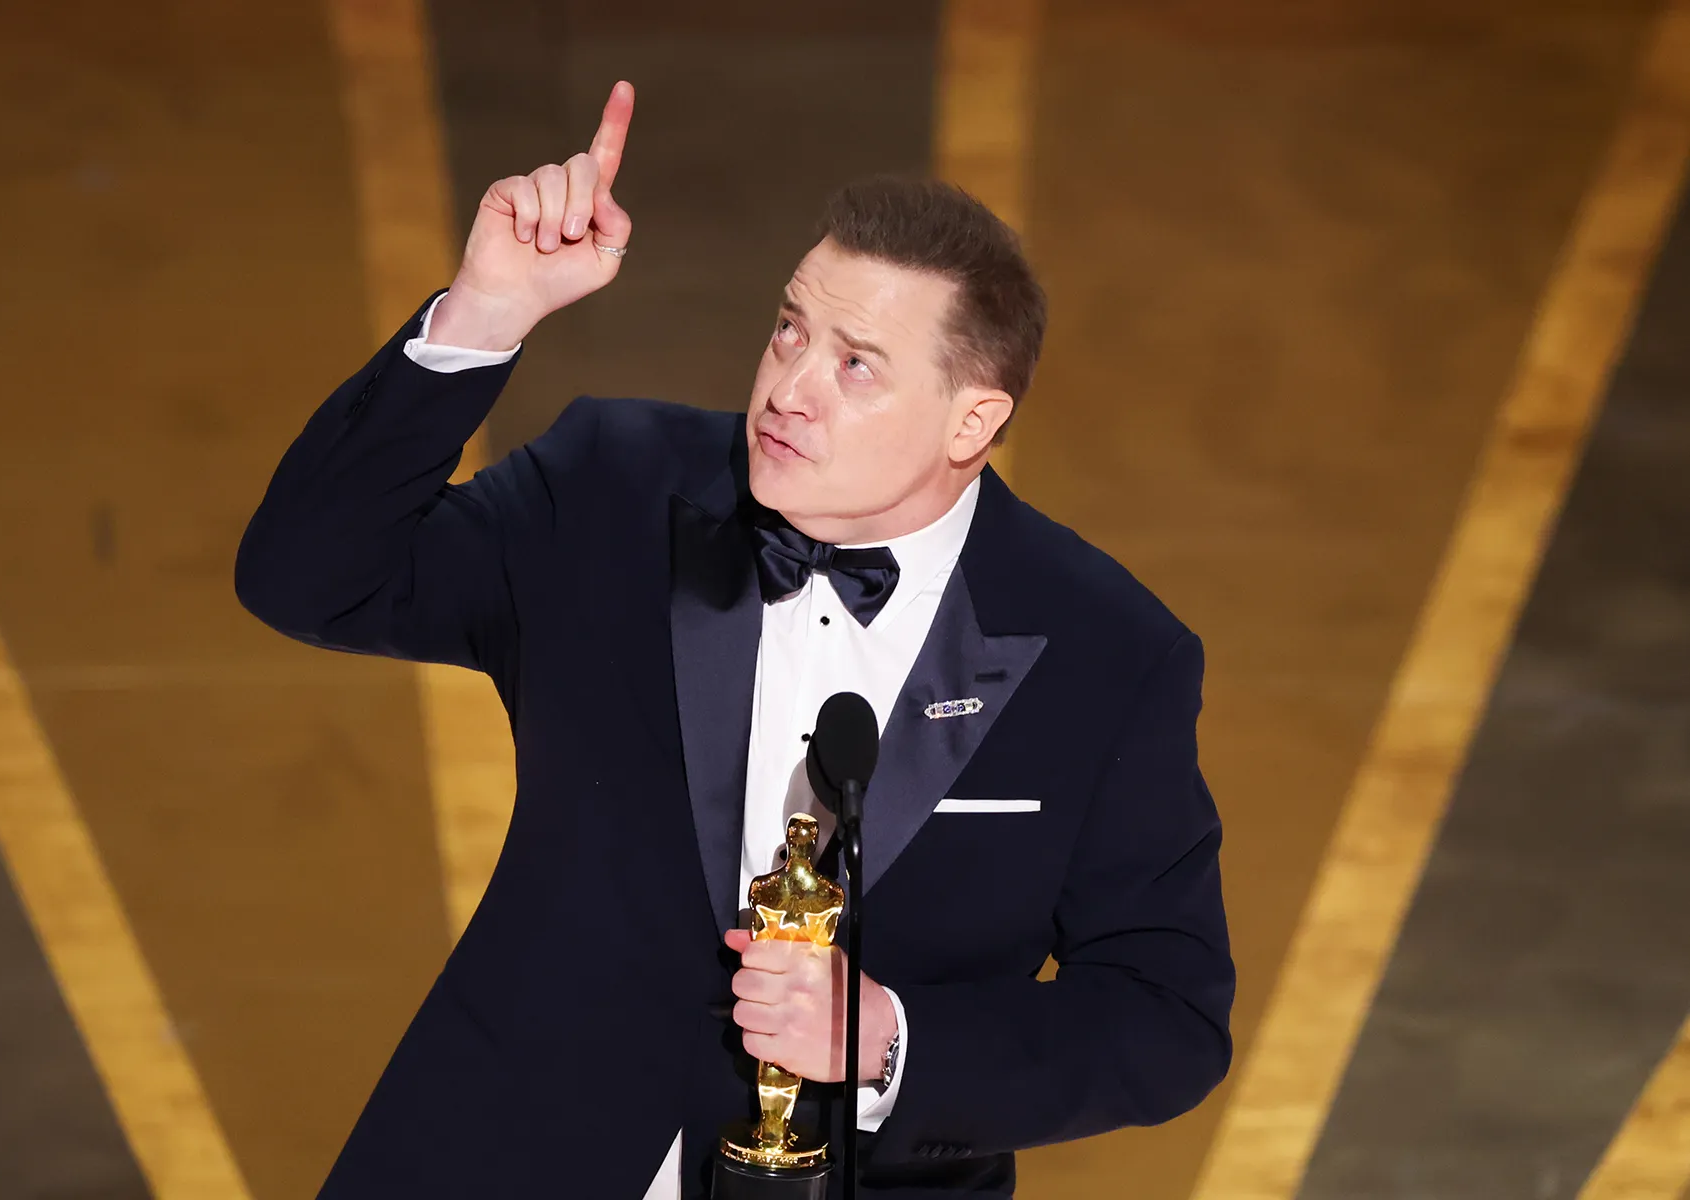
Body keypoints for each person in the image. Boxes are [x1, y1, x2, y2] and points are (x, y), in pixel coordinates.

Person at [235, 79, 1234, 1200]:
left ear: (973, 420)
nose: (789, 390)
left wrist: (892, 1041)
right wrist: (482, 315)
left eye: (856, 365)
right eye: (790, 330)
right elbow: (308, 581)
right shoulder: (613, 494)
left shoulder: (1107, 654)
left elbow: (1166, 1017)